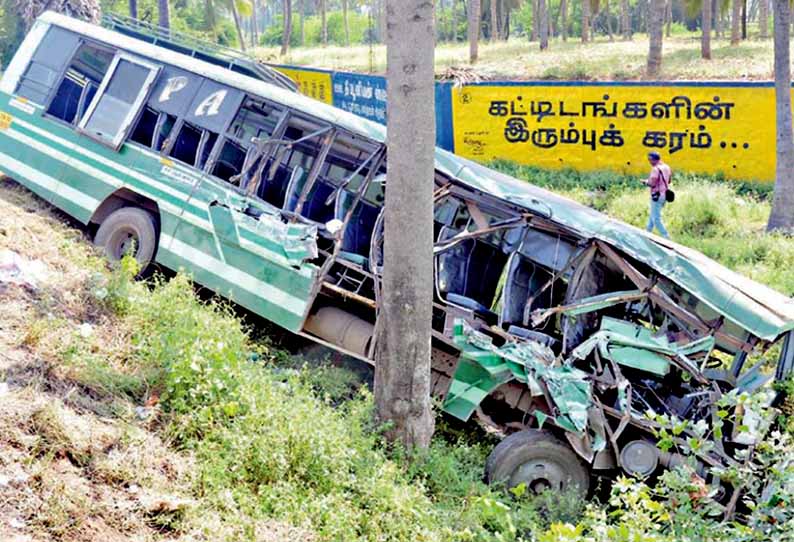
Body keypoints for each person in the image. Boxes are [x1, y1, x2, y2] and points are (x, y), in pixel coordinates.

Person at [641, 151, 671, 239]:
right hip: (664, 194)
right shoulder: (667, 167)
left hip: (656, 196)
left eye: (649, 160)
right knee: (652, 215)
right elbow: (669, 181)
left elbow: (652, 183)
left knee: (656, 219)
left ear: (653, 160)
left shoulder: (655, 169)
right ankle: (647, 233)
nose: (649, 162)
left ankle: (666, 236)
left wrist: (645, 182)